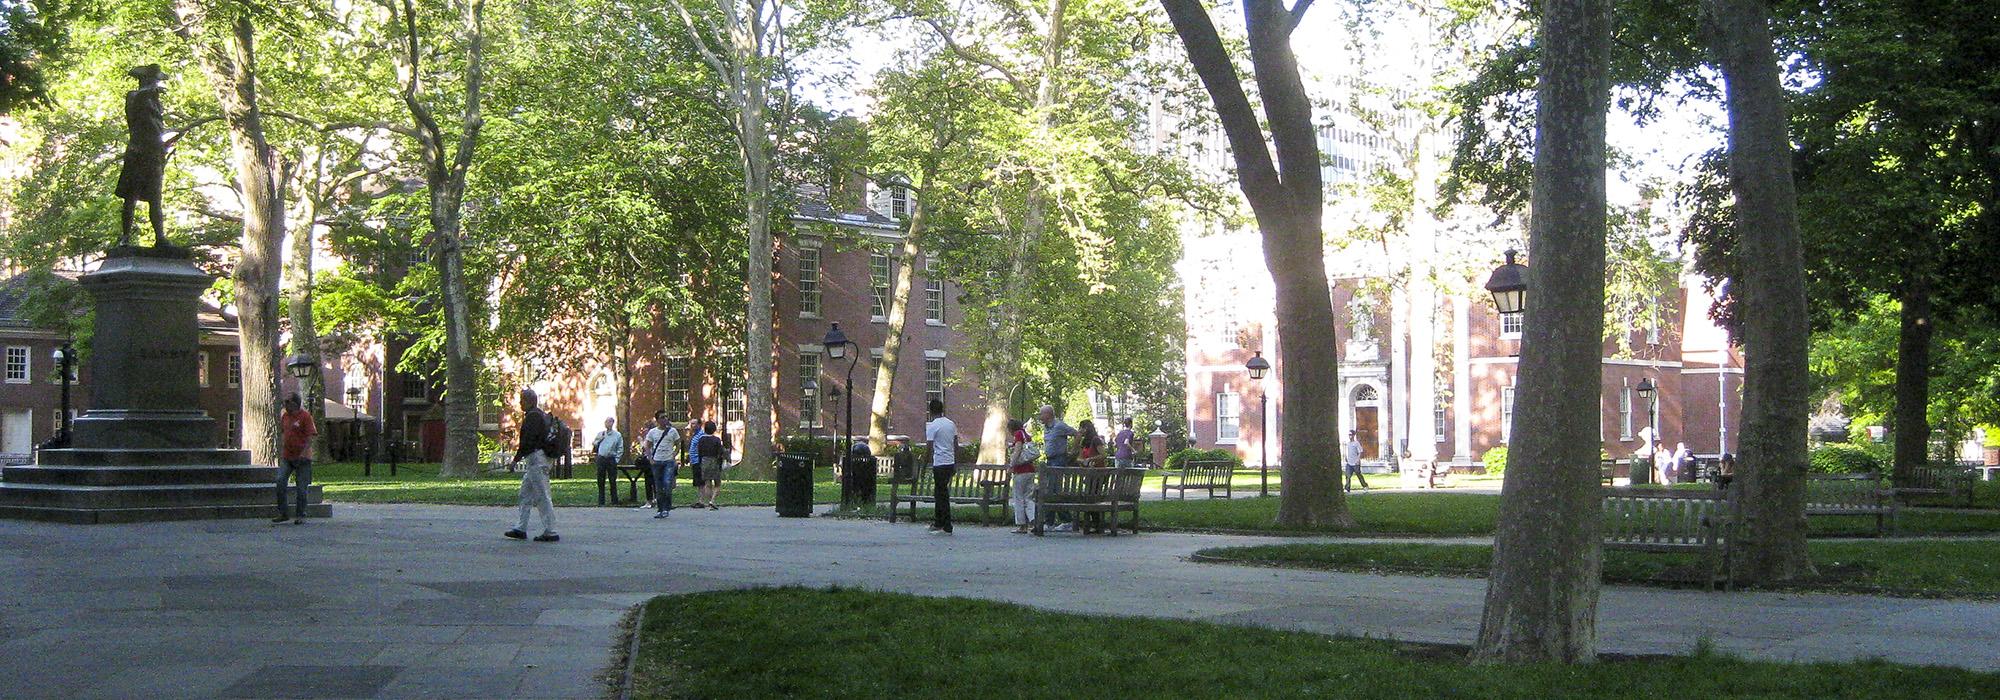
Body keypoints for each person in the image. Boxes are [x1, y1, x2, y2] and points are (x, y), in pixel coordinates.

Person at [115, 64, 169, 248]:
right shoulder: (135, 95)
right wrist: (151, 90)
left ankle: (160, 237)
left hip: (155, 152)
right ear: (146, 80)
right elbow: (138, 99)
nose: (157, 83)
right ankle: (125, 237)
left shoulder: (155, 101)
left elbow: (156, 127)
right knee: (131, 195)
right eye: (154, 80)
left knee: (155, 197)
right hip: (138, 152)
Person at [506, 389, 559, 542]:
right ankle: (520, 528)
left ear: (529, 401)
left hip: (537, 460)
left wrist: (515, 460)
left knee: (542, 495)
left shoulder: (533, 417)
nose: (520, 403)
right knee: (525, 495)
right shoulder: (538, 415)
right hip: (535, 460)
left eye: (522, 400)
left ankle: (551, 531)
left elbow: (527, 442)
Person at [274, 393, 317, 524]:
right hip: (288, 456)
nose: (285, 405)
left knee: (301, 488)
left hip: (302, 458)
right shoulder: (285, 416)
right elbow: (283, 433)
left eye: (287, 402)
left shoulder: (305, 416)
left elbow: (310, 437)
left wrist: (304, 453)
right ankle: (283, 512)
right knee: (280, 481)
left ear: (295, 403)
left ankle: (300, 514)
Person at [924, 399, 958, 535]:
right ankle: (941, 522)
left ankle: (945, 523)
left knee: (941, 494)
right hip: (949, 462)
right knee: (941, 493)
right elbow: (956, 444)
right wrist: (956, 462)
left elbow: (929, 446)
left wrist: (925, 462)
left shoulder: (932, 426)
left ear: (931, 411)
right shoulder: (951, 424)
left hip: (939, 463)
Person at [644, 411, 681, 518]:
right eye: (662, 417)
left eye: (666, 417)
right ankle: (660, 509)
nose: (665, 419)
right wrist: (650, 458)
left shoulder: (672, 431)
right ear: (657, 420)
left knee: (667, 483)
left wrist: (674, 454)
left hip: (668, 461)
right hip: (657, 461)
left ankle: (667, 507)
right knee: (658, 486)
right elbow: (647, 445)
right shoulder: (653, 432)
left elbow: (678, 443)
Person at [1006, 419, 1037, 534]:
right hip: (1030, 470)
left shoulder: (1018, 434)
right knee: (1028, 497)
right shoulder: (1026, 434)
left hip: (1021, 471)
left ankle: (1021, 524)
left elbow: (1018, 450)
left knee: (1018, 497)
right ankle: (1034, 520)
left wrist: (1011, 465)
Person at [591, 418, 624, 506]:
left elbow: (620, 448)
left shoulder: (617, 435)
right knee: (600, 480)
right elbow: (594, 443)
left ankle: (614, 500)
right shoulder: (601, 434)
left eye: (609, 422)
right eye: (606, 422)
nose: (607, 424)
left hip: (611, 459)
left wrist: (616, 459)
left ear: (613, 423)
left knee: (612, 480)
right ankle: (601, 501)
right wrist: (600, 439)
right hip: (601, 458)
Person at [694, 421, 725, 510]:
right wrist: (720, 464)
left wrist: (700, 463)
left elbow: (699, 452)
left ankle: (708, 501)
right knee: (717, 483)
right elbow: (720, 453)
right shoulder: (716, 440)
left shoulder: (701, 439)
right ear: (714, 429)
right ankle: (712, 500)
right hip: (714, 461)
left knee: (707, 483)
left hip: (704, 461)